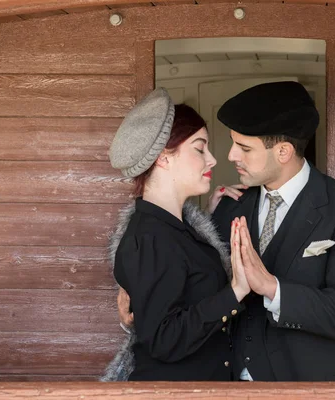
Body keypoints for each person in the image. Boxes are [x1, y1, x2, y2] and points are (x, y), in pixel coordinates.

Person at [118, 81, 335, 381]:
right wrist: (140, 291)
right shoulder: (229, 207)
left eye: (244, 148)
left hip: (310, 388)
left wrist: (272, 288)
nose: (230, 156)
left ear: (283, 152)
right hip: (228, 386)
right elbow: (190, 292)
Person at [102, 88, 250, 381]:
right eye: (199, 148)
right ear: (163, 158)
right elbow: (163, 340)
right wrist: (237, 290)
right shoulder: (151, 238)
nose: (212, 160)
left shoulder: (172, 230)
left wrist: (206, 221)